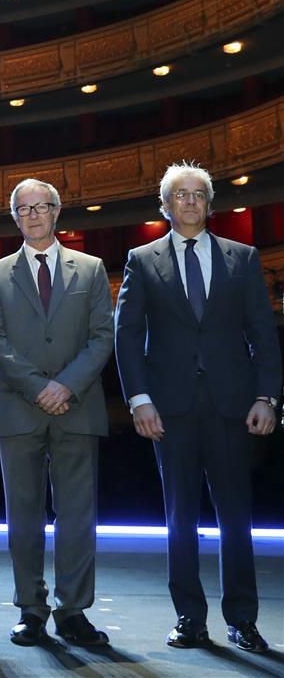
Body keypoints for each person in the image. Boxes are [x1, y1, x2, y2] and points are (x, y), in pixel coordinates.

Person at [115, 162, 281, 653]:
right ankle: (189, 617)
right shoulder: (141, 260)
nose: (189, 202)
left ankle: (243, 620)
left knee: (237, 518)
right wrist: (139, 400)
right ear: (164, 206)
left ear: (210, 204)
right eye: (179, 195)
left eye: (198, 194)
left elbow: (263, 337)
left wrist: (267, 396)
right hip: (169, 409)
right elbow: (127, 338)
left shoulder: (244, 257)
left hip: (234, 405)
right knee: (179, 517)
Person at [0, 178, 114, 647]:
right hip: (19, 407)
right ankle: (31, 608)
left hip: (78, 406)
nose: (34, 214)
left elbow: (102, 337)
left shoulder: (92, 269)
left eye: (42, 206)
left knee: (78, 514)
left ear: (57, 212)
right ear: (14, 217)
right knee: (24, 515)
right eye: (24, 208)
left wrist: (65, 386)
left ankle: (73, 611)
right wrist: (40, 388)